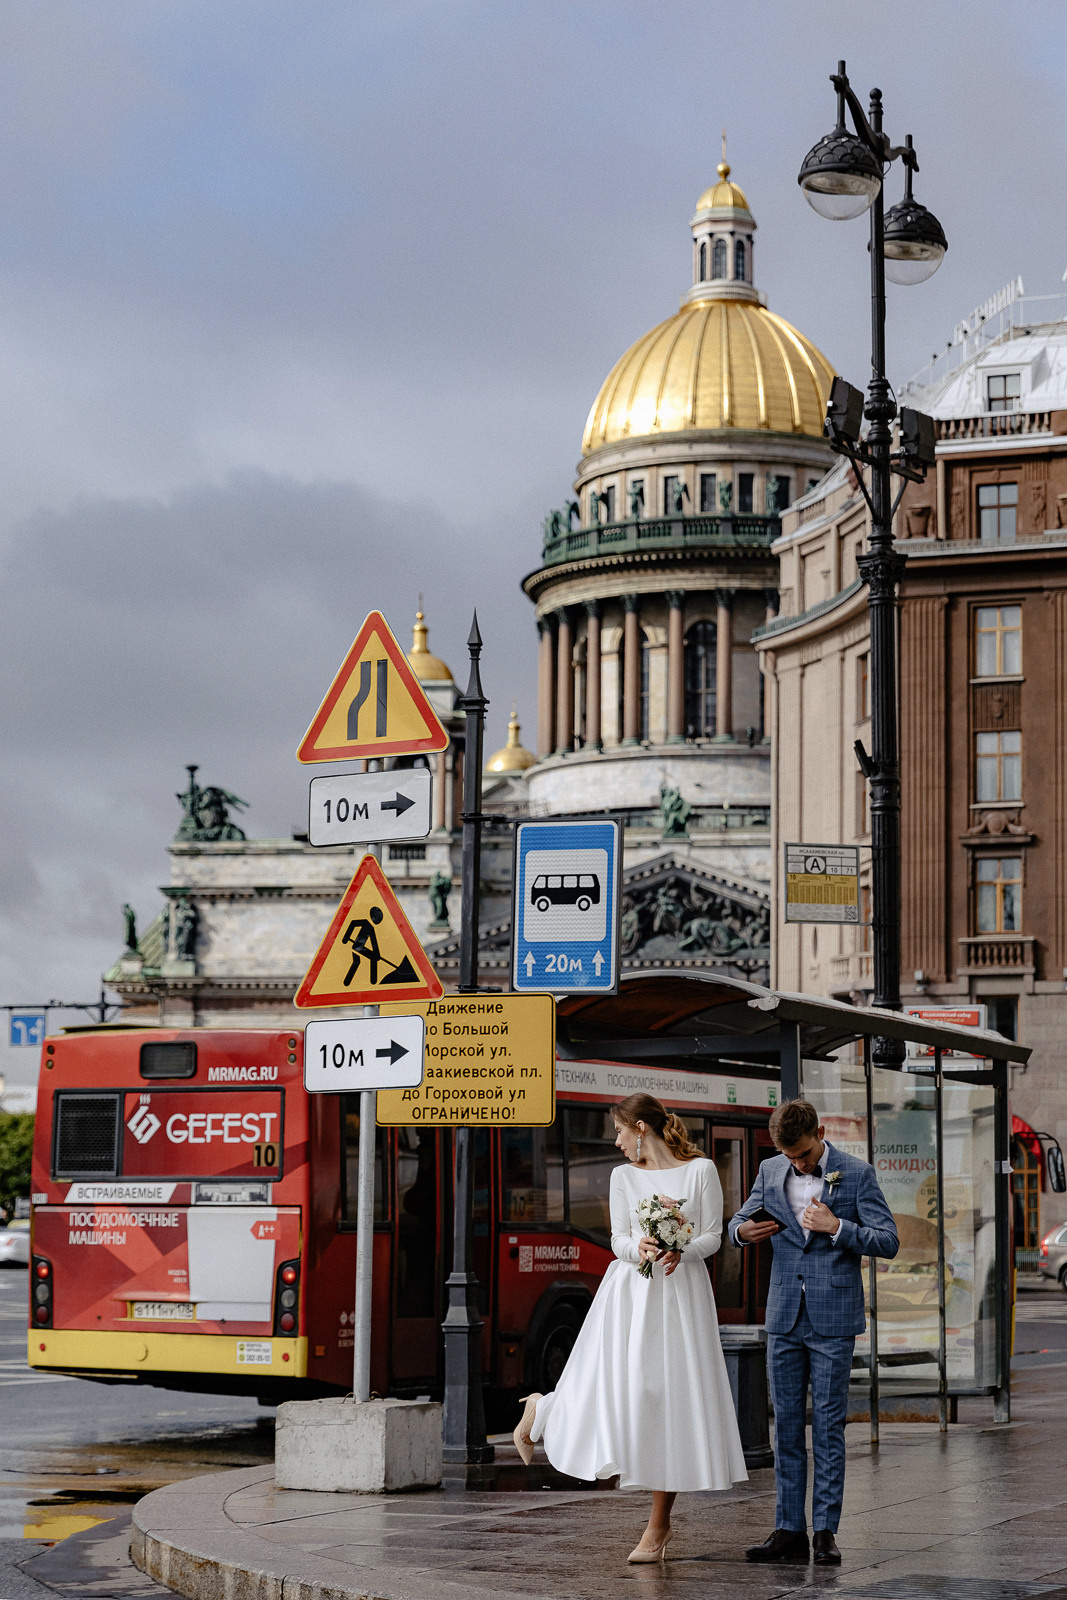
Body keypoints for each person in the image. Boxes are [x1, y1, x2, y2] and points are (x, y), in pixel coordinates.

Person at [513, 1093, 747, 1563]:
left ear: (641, 1127)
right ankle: (546, 1411)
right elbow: (618, 1237)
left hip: (682, 1293)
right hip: (633, 1291)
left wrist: (684, 1249)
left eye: (618, 1131)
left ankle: (658, 1527)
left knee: (671, 1400)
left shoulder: (701, 1170)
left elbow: (713, 1235)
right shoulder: (623, 1177)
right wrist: (637, 1248)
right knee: (625, 1388)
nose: (615, 1142)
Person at [729, 1098, 898, 1567]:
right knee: (784, 1427)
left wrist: (838, 1226)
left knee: (826, 1428)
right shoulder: (770, 1168)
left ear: (820, 1132)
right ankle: (788, 1531)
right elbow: (736, 1222)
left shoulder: (857, 1174)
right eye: (790, 1157)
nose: (797, 1163)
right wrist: (744, 1233)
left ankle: (824, 1533)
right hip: (784, 1316)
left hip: (833, 1320)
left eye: (803, 1155)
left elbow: (888, 1240)